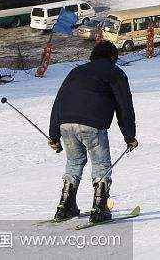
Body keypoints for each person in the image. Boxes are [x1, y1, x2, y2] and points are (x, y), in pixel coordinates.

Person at [47, 40, 137, 224]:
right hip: (93, 124)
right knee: (101, 165)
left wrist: (54, 135)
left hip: (66, 123)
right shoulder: (116, 73)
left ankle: (65, 206)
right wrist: (129, 136)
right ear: (113, 57)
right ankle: (99, 208)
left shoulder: (75, 72)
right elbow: (124, 106)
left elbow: (59, 101)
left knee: (74, 162)